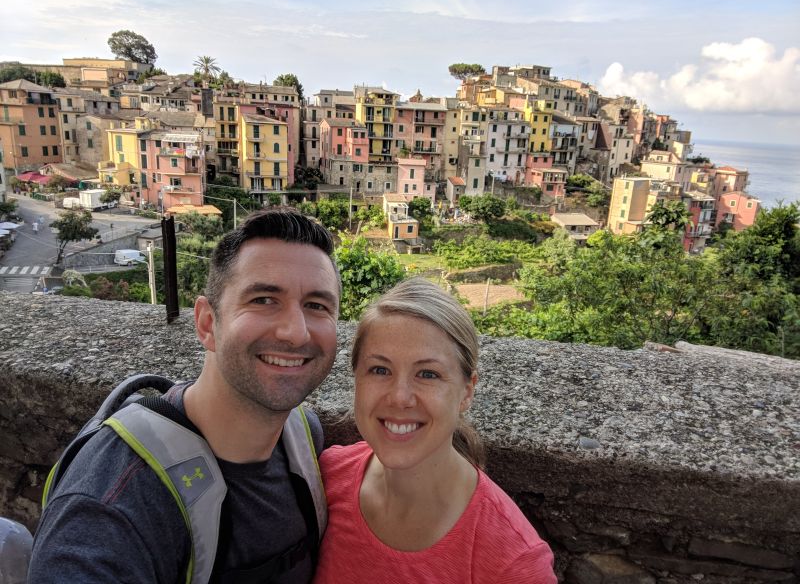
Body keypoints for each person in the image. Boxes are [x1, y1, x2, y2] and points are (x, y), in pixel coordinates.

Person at [29, 208, 342, 583]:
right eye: (263, 299)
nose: (296, 332)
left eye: (317, 306)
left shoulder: (303, 437)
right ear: (207, 323)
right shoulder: (112, 505)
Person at [313, 278, 557, 583]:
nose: (400, 397)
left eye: (427, 374)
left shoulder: (514, 564)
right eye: (380, 370)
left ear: (467, 391)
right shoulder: (326, 478)